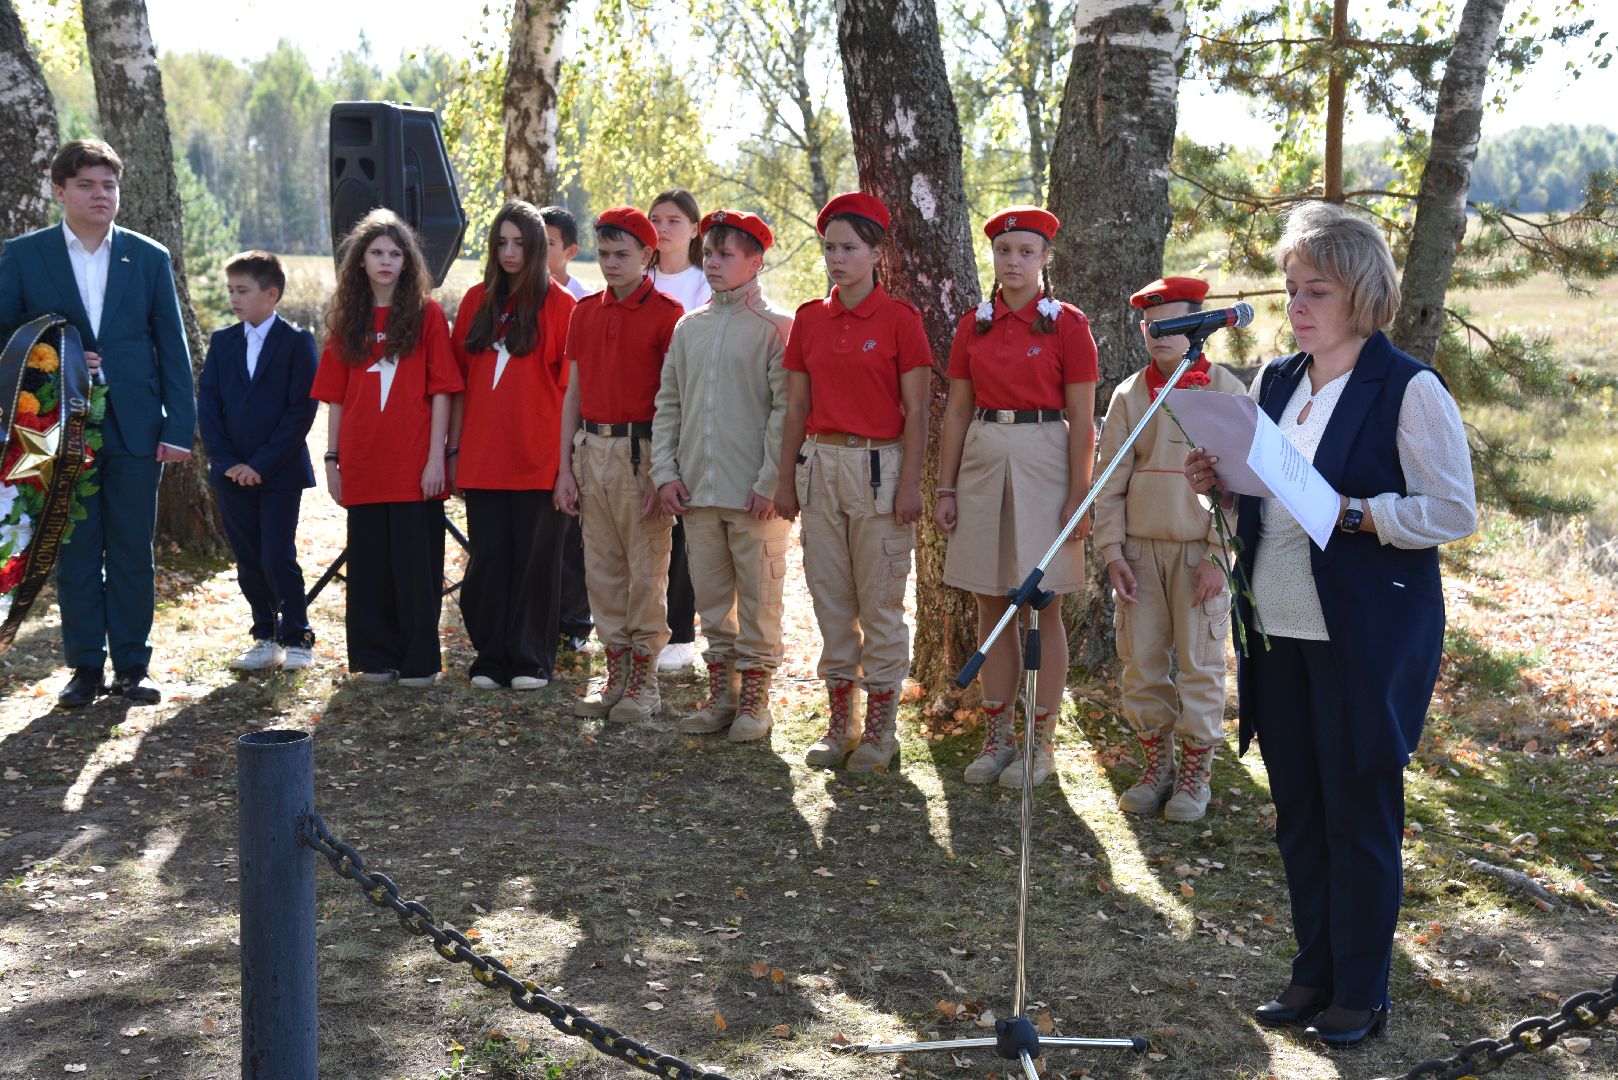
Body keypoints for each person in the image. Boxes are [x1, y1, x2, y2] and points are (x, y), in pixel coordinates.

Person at [1184, 201, 1476, 1046]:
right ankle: (1312, 974)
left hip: (1364, 632)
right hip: (1275, 623)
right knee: (1302, 812)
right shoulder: (1277, 379)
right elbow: (1271, 490)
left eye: (1315, 290)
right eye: (1290, 289)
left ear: (1361, 292)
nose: (1297, 306)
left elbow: (1451, 510)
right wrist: (1222, 480)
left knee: (1359, 813)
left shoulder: (1406, 386)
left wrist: (1355, 514)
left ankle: (1361, 990)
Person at [0, 138, 195, 708]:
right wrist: (54, 357)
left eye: (109, 184)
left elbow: (172, 346)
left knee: (133, 548)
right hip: (58, 428)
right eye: (86, 184)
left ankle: (133, 667)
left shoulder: (148, 256)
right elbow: (5, 340)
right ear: (59, 191)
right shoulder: (22, 255)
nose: (100, 194)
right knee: (77, 548)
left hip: (138, 426)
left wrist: (178, 427)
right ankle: (84, 666)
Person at [935, 206, 1097, 789]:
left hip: (1046, 455)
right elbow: (956, 408)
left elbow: (1082, 418)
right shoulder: (971, 324)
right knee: (988, 598)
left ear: (1046, 258)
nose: (1014, 262)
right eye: (1005, 252)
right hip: (982, 453)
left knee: (1042, 600)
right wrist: (946, 484)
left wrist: (1080, 494)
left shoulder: (1068, 325)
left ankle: (1042, 742)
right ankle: (998, 734)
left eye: (1027, 252)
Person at [774, 192, 930, 773]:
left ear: (875, 252)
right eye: (830, 248)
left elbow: (918, 412)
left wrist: (910, 483)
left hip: (879, 469)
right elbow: (795, 408)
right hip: (820, 467)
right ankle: (842, 722)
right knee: (831, 599)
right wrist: (786, 479)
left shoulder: (900, 321)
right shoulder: (811, 319)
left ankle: (882, 730)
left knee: (881, 602)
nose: (837, 259)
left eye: (849, 248)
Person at [1094, 275, 1247, 819]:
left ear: (1200, 326)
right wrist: (1112, 551)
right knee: (1142, 662)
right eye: (1151, 326)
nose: (1160, 335)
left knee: (1201, 663)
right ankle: (1155, 765)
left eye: (1174, 324)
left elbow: (1238, 485)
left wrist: (1215, 555)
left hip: (1194, 555)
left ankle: (1195, 776)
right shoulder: (1129, 394)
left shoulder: (1226, 391)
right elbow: (1108, 479)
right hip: (1138, 552)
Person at [651, 209, 792, 742]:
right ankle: (724, 695)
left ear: (755, 262)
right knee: (714, 601)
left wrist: (770, 481)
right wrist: (666, 472)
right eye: (707, 253)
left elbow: (785, 411)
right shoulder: (690, 328)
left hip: (754, 495)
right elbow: (669, 404)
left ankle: (756, 701)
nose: (711, 262)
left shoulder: (776, 328)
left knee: (759, 600)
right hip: (699, 494)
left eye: (724, 254)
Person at [310, 209, 462, 688]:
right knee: (371, 563)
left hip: (416, 462)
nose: (386, 261)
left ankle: (419, 660)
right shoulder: (347, 317)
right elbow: (335, 396)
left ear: (407, 262)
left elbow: (443, 390)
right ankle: (376, 657)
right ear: (360, 260)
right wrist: (333, 459)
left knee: (417, 566)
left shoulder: (427, 314)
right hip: (364, 460)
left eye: (395, 253)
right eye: (376, 252)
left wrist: (437, 456)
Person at [554, 206, 684, 721]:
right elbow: (573, 395)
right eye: (603, 253)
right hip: (593, 450)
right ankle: (615, 675)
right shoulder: (584, 311)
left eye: (622, 254)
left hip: (644, 451)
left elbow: (676, 400)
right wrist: (565, 467)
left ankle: (644, 682)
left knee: (645, 570)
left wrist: (665, 468)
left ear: (647, 255)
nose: (611, 263)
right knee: (601, 569)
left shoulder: (668, 314)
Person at [448, 201, 577, 691]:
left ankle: (530, 658)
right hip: (482, 459)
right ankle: (490, 656)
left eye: (519, 243)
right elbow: (458, 386)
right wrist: (454, 451)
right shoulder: (475, 300)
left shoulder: (562, 305)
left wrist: (566, 466)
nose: (509, 252)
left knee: (536, 566)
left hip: (538, 460)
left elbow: (569, 395)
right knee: (488, 562)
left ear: (538, 246)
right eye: (501, 242)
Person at [197, 251, 319, 673]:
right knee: (248, 558)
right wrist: (227, 461)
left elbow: (300, 411)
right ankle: (264, 635)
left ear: (271, 294)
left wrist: (261, 465)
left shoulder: (297, 343)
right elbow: (209, 405)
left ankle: (297, 635)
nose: (234, 298)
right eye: (230, 290)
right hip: (232, 473)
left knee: (276, 555)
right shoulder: (223, 341)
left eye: (242, 291)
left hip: (279, 472)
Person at [647, 188, 709, 673]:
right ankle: (638, 622)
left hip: (689, 417)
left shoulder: (704, 284)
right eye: (655, 219)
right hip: (638, 416)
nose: (663, 228)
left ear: (694, 228)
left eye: (673, 220)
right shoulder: (637, 276)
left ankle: (682, 631)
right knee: (638, 523)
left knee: (684, 524)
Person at [539, 204, 593, 650]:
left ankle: (574, 621)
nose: (537, 250)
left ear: (569, 251)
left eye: (548, 243)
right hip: (528, 435)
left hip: (569, 435)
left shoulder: (581, 302)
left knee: (570, 534)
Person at [541, 204, 591, 302]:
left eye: (549, 243)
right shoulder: (520, 290)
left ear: (570, 252)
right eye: (536, 240)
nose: (538, 247)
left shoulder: (583, 297)